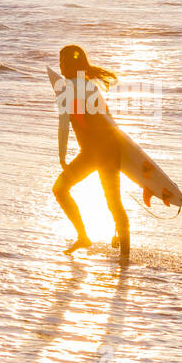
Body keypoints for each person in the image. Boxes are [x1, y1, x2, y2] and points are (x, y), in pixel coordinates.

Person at [51, 44, 129, 265]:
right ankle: (84, 237)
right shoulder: (87, 87)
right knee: (60, 190)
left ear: (74, 64)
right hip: (95, 152)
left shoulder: (74, 89)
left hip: (104, 153)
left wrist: (62, 157)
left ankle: (124, 254)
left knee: (113, 203)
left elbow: (64, 124)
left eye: (64, 63)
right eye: (60, 63)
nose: (61, 67)